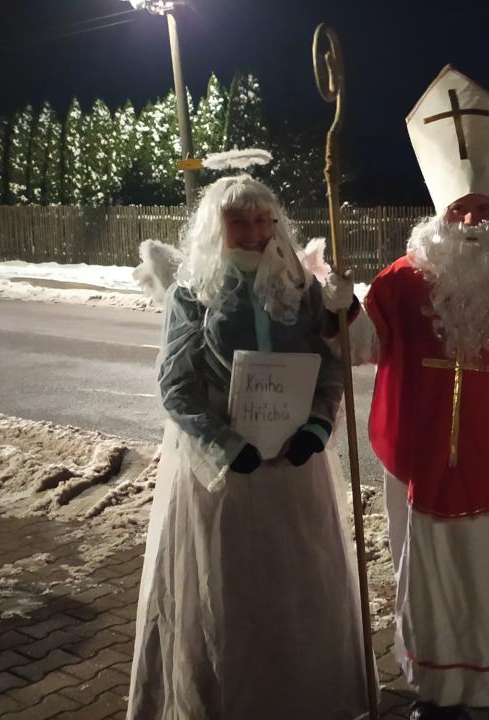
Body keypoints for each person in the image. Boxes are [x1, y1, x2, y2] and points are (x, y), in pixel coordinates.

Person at [344, 66, 489, 720]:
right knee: (431, 580)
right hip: (422, 463)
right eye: (458, 210)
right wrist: (337, 306)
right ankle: (436, 692)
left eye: (483, 210)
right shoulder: (399, 280)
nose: (471, 220)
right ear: (439, 217)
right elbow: (361, 346)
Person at [126, 167, 366, 719]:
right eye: (240, 221)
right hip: (223, 469)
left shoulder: (300, 288)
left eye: (264, 220)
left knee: (294, 582)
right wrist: (224, 444)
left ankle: (298, 697)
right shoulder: (194, 293)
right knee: (228, 585)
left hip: (292, 464)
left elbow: (331, 366)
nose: (255, 232)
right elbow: (175, 385)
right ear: (218, 226)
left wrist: (317, 426)